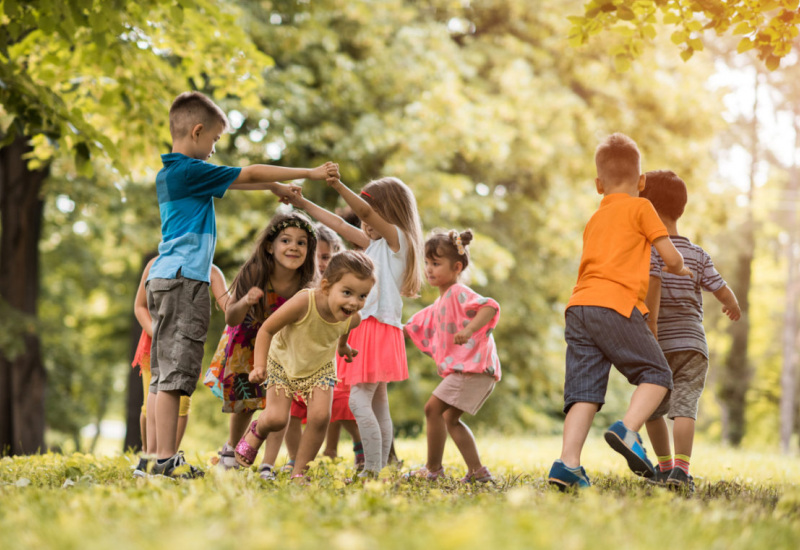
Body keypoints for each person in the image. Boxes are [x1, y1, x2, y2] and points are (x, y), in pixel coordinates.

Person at [146, 90, 338, 477]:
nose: (215, 149)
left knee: (164, 374)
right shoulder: (188, 170)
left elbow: (241, 181)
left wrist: (272, 189)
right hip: (185, 281)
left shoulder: (172, 173)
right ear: (197, 131)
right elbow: (247, 172)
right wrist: (310, 173)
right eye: (215, 140)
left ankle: (155, 458)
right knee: (176, 375)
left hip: (166, 278)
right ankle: (164, 460)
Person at [547, 133, 692, 491]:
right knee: (658, 375)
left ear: (599, 185)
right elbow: (669, 255)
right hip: (615, 304)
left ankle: (567, 464)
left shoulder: (595, 218)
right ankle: (628, 429)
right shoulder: (642, 207)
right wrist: (681, 267)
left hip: (579, 307)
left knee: (583, 392)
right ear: (642, 183)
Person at [289, 176, 423, 476]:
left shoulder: (397, 241)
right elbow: (340, 225)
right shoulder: (375, 245)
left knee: (358, 399)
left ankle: (371, 470)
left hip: (376, 327)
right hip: (371, 328)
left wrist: (337, 184)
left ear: (391, 211)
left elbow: (363, 213)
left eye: (373, 213)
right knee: (378, 405)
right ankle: (380, 468)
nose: (366, 223)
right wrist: (303, 204)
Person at [234, 251, 376, 481]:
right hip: (283, 361)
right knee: (278, 418)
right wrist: (259, 366)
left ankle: (300, 472)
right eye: (347, 293)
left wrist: (342, 347)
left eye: (362, 295)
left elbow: (344, 329)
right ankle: (257, 429)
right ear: (327, 286)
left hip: (319, 367)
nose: (354, 302)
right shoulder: (304, 301)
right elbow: (267, 329)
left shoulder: (353, 317)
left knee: (320, 417)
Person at [640, 170, 741, 492]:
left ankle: (665, 466)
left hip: (657, 343)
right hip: (693, 345)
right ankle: (681, 470)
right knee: (685, 406)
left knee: (652, 410)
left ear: (647, 208)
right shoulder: (697, 254)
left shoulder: (646, 251)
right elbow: (721, 288)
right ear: (680, 208)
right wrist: (733, 306)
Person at [209, 211, 318, 480]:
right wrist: (246, 301)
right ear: (270, 246)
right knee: (245, 402)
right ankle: (231, 449)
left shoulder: (307, 283)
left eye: (301, 242)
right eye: (286, 240)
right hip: (246, 341)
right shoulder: (255, 271)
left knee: (279, 403)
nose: (293, 247)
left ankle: (267, 464)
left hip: (282, 347)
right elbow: (231, 316)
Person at [405, 229, 501, 483]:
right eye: (427, 263)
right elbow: (415, 324)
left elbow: (490, 306)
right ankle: (478, 472)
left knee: (432, 409)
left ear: (456, 266)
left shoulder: (459, 292)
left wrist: (469, 329)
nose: (429, 269)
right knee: (449, 418)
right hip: (474, 370)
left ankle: (433, 469)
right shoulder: (441, 301)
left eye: (436, 263)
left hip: (474, 368)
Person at [131, 256, 228, 476]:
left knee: (181, 404)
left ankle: (168, 458)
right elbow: (140, 307)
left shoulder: (209, 269)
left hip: (186, 346)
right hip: (153, 347)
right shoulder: (155, 264)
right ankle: (148, 457)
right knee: (151, 403)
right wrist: (160, 336)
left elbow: (228, 304)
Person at [283, 224, 366, 471]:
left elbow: (350, 319)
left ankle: (359, 446)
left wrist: (343, 344)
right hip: (297, 358)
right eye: (316, 256)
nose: (320, 263)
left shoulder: (341, 290)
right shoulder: (299, 285)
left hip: (328, 357)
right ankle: (295, 458)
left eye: (327, 257)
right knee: (293, 411)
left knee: (339, 405)